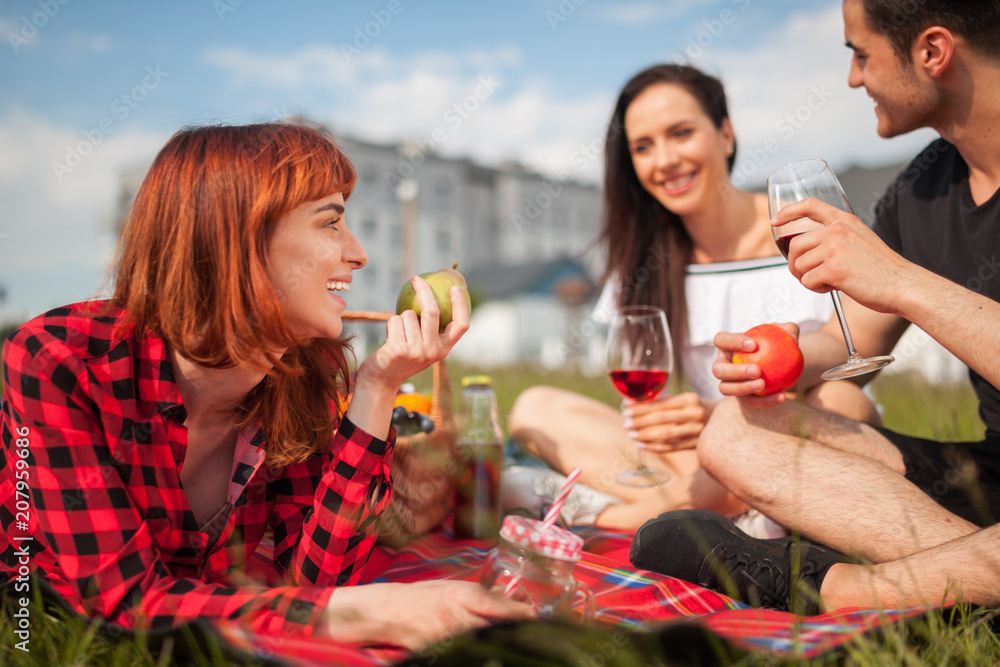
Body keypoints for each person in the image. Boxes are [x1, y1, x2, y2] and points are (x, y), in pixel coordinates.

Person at [0, 121, 533, 649]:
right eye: (331, 223)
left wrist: (376, 388)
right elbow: (122, 604)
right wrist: (379, 611)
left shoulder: (304, 375)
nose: (359, 253)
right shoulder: (59, 360)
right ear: (237, 238)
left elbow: (316, 585)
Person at [630, 0, 1000, 614]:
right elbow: (849, 344)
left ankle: (850, 590)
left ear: (932, 52)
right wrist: (779, 357)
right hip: (988, 471)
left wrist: (903, 281)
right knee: (736, 432)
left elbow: (897, 287)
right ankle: (966, 578)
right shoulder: (924, 185)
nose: (854, 78)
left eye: (861, 54)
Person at [506, 64, 879, 531]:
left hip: (791, 436)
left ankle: (618, 517)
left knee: (844, 401)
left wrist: (728, 410)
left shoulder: (803, 228)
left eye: (680, 133)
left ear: (725, 134)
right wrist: (672, 421)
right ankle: (742, 513)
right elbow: (642, 394)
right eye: (643, 147)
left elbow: (852, 348)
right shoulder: (643, 260)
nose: (664, 160)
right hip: (699, 458)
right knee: (534, 407)